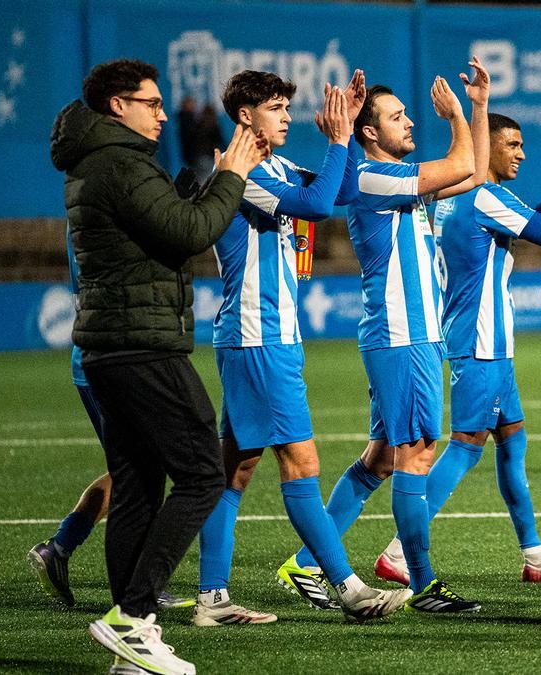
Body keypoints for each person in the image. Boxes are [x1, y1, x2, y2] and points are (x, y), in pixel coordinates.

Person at [51, 57, 265, 674]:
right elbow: (189, 231)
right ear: (118, 105)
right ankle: (134, 615)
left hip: (110, 345)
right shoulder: (119, 163)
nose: (164, 113)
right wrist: (230, 176)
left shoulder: (100, 162)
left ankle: (132, 644)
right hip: (139, 342)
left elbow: (163, 226)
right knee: (202, 472)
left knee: (140, 486)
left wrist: (206, 186)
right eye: (151, 102)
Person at [191, 69, 412, 628]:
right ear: (245, 116)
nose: (287, 115)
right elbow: (314, 208)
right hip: (259, 336)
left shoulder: (277, 166)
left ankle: (212, 597)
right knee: (302, 461)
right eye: (276, 107)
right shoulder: (242, 173)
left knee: (234, 472)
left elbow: (339, 189)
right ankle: (349, 587)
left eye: (289, 106)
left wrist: (344, 136)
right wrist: (340, 140)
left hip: (263, 338)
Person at [283, 61, 489, 613]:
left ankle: (304, 564)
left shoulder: (394, 179)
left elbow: (473, 173)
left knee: (379, 460)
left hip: (406, 336)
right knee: (414, 456)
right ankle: (423, 585)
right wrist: (454, 117)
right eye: (398, 117)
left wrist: (478, 108)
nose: (410, 123)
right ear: (369, 133)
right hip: (404, 335)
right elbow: (464, 161)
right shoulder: (377, 179)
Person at [372, 114, 541, 584]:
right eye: (511, 144)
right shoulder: (487, 196)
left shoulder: (457, 197)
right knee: (466, 446)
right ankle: (398, 550)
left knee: (513, 441)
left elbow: (530, 222)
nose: (521, 153)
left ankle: (535, 556)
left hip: (482, 338)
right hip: (481, 340)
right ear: (485, 146)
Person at [26, 230, 192, 613]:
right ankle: (139, 584)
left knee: (131, 470)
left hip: (93, 359)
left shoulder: (84, 209)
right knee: (147, 474)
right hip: (116, 361)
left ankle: (60, 548)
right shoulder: (109, 206)